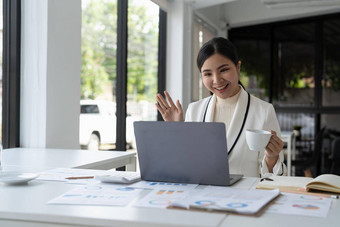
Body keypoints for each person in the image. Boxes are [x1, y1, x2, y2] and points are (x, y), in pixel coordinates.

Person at [155, 37, 286, 177]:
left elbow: (274, 179)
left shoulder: (263, 111)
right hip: (203, 194)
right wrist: (177, 131)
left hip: (245, 196)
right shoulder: (194, 110)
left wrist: (272, 158)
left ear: (238, 67)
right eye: (208, 74)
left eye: (223, 70)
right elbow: (186, 165)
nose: (217, 80)